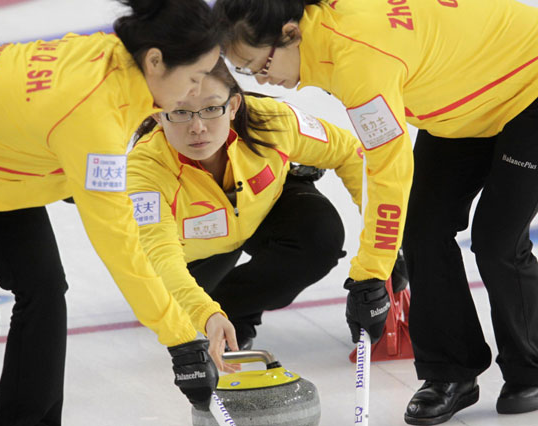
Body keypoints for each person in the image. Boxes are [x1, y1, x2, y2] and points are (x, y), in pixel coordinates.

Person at [211, 0, 538, 424]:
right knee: (422, 229)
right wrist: (380, 263)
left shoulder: (356, 59)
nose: (262, 80)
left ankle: (530, 365)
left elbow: (389, 169)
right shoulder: (324, 36)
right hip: (463, 97)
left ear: (290, 33)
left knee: (496, 238)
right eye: (247, 73)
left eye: (260, 64)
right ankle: (450, 372)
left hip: (528, 84)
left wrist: (370, 274)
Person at [0, 0, 237, 424]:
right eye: (192, 79)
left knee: (43, 289)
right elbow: (121, 247)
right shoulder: (94, 114)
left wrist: (66, 177)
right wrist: (180, 340)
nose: (195, 91)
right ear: (155, 60)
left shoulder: (112, 58)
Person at [127, 57, 364, 352]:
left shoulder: (272, 122)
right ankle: (219, 306)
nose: (198, 127)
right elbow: (161, 257)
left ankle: (235, 308)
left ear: (234, 106)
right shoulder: (144, 169)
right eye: (180, 112)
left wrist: (383, 253)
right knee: (174, 304)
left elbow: (352, 154)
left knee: (319, 234)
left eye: (212, 108)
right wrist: (207, 313)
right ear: (158, 114)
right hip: (196, 253)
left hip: (265, 208)